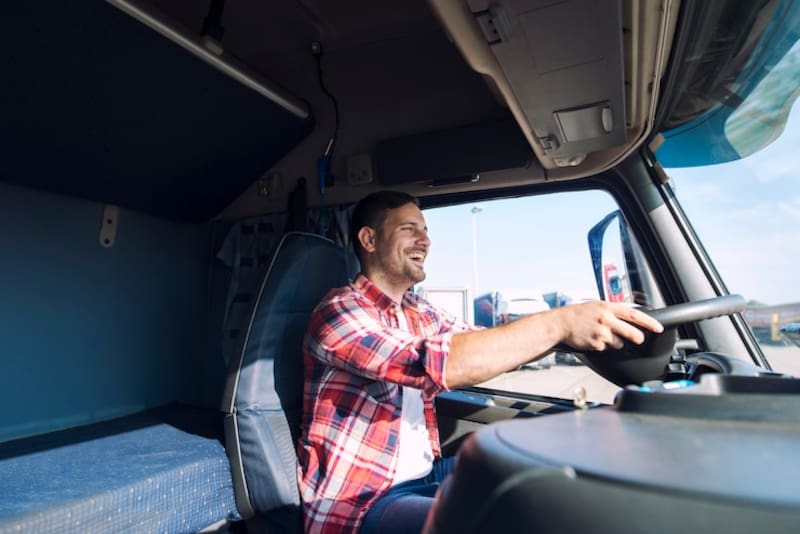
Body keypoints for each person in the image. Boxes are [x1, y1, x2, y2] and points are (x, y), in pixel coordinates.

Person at [296, 191, 663, 533]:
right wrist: (560, 323)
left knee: (552, 472)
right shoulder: (338, 312)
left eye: (425, 230)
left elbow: (484, 345)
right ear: (369, 240)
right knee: (520, 518)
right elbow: (436, 364)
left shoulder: (418, 311)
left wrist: (577, 333)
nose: (425, 241)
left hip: (424, 476)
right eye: (409, 230)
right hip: (361, 501)